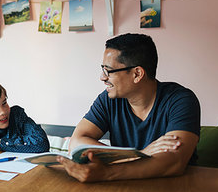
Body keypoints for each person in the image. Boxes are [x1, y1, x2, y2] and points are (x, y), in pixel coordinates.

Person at [58, 33, 200, 182]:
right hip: (125, 187)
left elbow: (174, 163)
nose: (102, 77)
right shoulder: (108, 100)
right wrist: (139, 154)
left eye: (108, 71)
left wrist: (107, 172)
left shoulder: (180, 100)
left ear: (137, 74)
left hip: (177, 191)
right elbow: (76, 142)